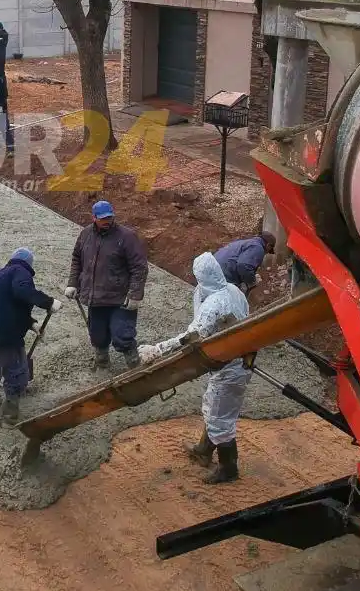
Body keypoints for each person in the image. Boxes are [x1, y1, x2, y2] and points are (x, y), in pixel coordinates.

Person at [137, 252, 251, 484]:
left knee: (219, 416)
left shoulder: (213, 305)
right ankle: (203, 451)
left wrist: (157, 349)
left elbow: (190, 337)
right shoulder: (234, 291)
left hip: (230, 367)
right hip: (238, 359)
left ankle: (229, 468)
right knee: (215, 409)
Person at [0, 247, 62, 423]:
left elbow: (8, 306)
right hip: (3, 336)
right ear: (29, 263)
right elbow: (22, 291)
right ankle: (10, 418)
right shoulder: (21, 272)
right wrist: (48, 302)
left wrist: (31, 323)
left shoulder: (1, 274)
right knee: (16, 375)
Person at [65, 200, 148, 369]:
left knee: (122, 334)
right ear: (94, 217)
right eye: (102, 218)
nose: (107, 221)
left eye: (109, 217)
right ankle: (102, 360)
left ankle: (134, 363)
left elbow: (139, 267)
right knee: (97, 335)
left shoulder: (126, 237)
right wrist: (73, 283)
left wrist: (134, 295)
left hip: (119, 298)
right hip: (95, 297)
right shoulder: (86, 234)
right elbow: (77, 259)